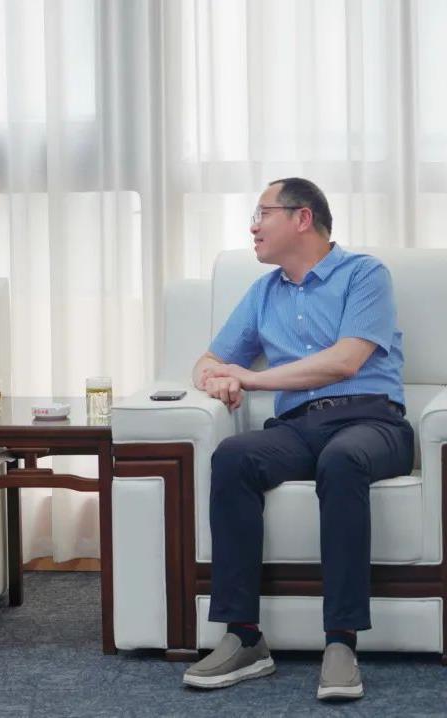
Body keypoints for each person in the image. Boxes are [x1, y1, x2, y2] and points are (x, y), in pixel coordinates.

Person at [181, 178, 413, 701]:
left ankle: (341, 642)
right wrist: (215, 378)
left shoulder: (364, 274)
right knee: (234, 456)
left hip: (372, 421)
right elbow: (209, 359)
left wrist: (250, 378)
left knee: (343, 459)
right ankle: (244, 637)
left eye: (262, 213)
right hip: (298, 427)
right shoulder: (263, 292)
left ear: (302, 217)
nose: (253, 227)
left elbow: (345, 361)